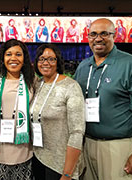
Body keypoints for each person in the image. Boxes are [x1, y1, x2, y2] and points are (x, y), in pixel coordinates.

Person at [74, 18, 132, 180]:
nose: (98, 38)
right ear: (88, 37)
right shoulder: (83, 66)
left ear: (115, 35)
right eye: (93, 34)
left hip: (117, 146)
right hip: (87, 144)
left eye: (104, 33)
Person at [0, 39, 35, 180]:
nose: (13, 58)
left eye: (18, 54)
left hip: (23, 153)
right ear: (2, 58)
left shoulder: (32, 81)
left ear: (24, 58)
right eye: (8, 54)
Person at [31, 44, 85, 180]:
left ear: (58, 62)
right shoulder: (37, 84)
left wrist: (67, 174)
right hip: (37, 157)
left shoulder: (71, 87)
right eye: (42, 59)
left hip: (61, 164)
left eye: (51, 59)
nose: (46, 63)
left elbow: (77, 132)